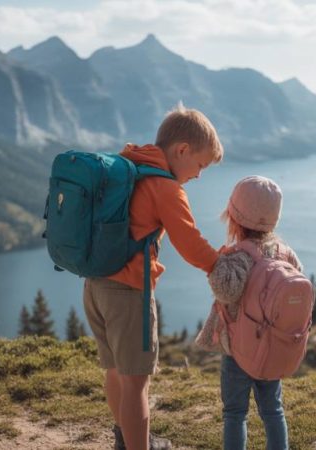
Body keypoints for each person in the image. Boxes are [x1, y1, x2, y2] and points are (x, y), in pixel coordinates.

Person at [83, 104, 224, 450]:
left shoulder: (129, 166)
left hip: (95, 285)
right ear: (182, 150)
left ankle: (125, 438)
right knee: (137, 384)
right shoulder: (166, 188)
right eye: (200, 165)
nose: (198, 175)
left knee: (115, 371)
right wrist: (221, 264)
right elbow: (190, 243)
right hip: (128, 292)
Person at [195, 175, 302, 450]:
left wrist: (216, 263)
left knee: (234, 413)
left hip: (239, 351)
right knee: (273, 410)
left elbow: (226, 290)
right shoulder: (285, 254)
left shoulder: (239, 255)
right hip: (272, 348)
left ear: (234, 217)